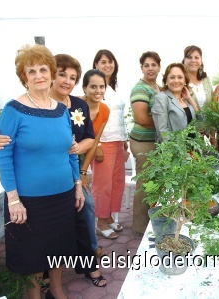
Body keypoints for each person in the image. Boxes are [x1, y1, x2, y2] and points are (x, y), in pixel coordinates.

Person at [0, 53, 108, 289]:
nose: (38, 76)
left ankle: (56, 291)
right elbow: (3, 155)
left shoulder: (61, 110)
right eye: (31, 71)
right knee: (33, 254)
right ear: (24, 77)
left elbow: (70, 152)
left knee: (58, 249)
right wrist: (13, 200)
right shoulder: (13, 110)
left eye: (43, 70)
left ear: (50, 73)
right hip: (29, 200)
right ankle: (35, 295)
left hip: (63, 195)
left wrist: (76, 186)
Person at [92, 49, 127, 238]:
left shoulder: (111, 88)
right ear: (96, 65)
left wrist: (126, 141)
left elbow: (119, 117)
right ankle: (100, 221)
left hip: (118, 141)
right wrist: (95, 145)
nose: (107, 65)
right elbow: (91, 119)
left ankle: (109, 217)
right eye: (103, 62)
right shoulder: (95, 88)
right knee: (102, 184)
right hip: (103, 143)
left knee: (116, 183)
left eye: (110, 61)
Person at [129, 51, 161, 234]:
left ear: (159, 67)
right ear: (141, 68)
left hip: (154, 141)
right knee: (144, 183)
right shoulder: (140, 89)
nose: (150, 68)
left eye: (153, 65)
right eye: (146, 65)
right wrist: (165, 126)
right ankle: (140, 227)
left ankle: (152, 222)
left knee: (154, 183)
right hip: (143, 142)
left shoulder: (157, 87)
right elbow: (141, 118)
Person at [79, 69, 112, 241]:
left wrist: (83, 172)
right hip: (65, 158)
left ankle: (90, 246)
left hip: (80, 160)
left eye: (101, 86)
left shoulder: (105, 110)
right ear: (84, 88)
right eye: (93, 86)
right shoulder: (74, 105)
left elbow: (94, 142)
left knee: (87, 203)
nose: (98, 90)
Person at [152, 63, 199, 142]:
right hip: (175, 151)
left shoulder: (187, 98)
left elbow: (201, 120)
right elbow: (162, 131)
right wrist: (178, 151)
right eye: (172, 77)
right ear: (166, 80)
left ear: (185, 80)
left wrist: (190, 99)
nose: (176, 80)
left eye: (180, 77)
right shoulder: (161, 98)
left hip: (193, 150)